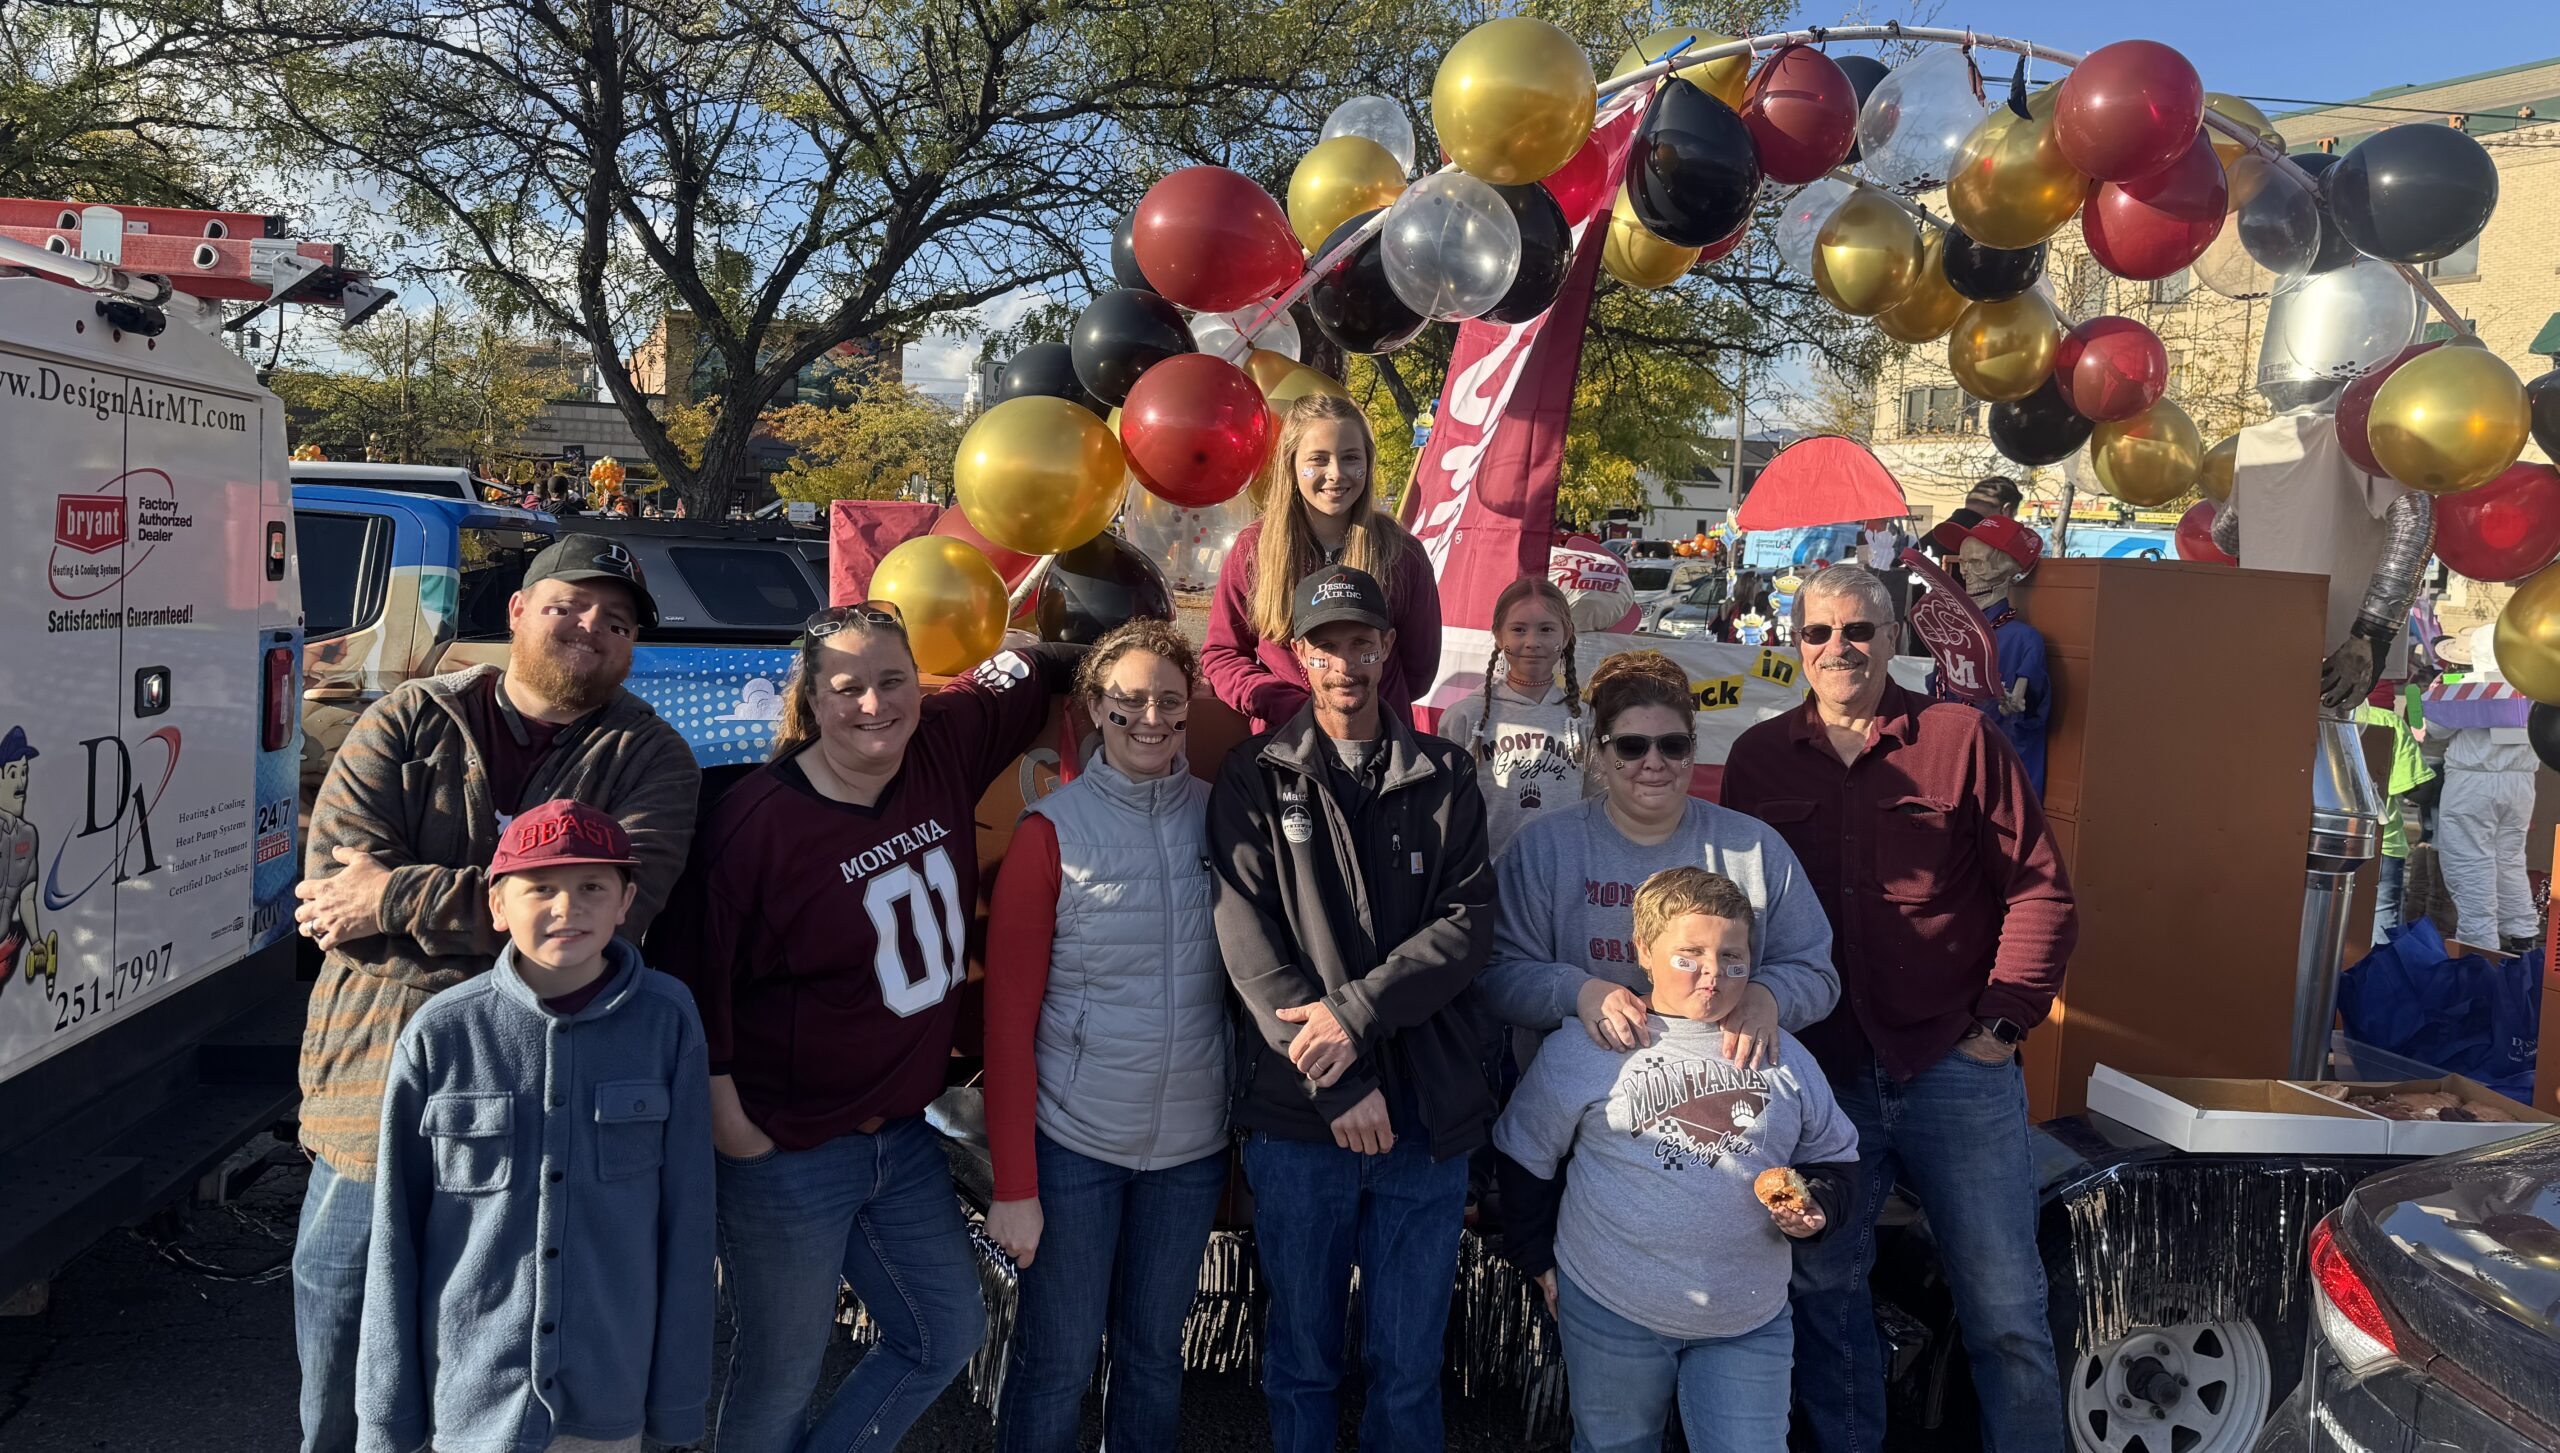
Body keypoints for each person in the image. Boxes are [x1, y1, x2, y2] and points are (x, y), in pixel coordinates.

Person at [290, 535, 700, 1453]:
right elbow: (329, 888)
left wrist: (392, 896)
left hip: (545, 1097)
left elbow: (608, 920)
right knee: (347, 1342)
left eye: (616, 619)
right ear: (516, 611)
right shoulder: (406, 718)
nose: (590, 627)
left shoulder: (651, 758)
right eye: (569, 605)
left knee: (510, 1355)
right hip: (374, 1084)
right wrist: (518, 909)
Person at [657, 606, 1077, 1453]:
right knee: (779, 1376)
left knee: (943, 1331)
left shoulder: (944, 743)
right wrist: (731, 1124)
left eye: (893, 681)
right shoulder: (755, 824)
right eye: (847, 687)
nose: (875, 705)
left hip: (902, 1140)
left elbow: (1039, 664)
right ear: (811, 697)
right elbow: (689, 984)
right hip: (789, 1146)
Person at [1722, 562, 2077, 1453]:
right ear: (1795, 644)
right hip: (1820, 1077)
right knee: (1825, 1290)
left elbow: (2040, 890)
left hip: (1953, 1066)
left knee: (2005, 1307)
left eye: (1859, 630)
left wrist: (2003, 1021)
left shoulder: (1962, 738)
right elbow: (1730, 915)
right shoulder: (1758, 759)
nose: (1839, 647)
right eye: (1818, 632)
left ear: (1894, 639)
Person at [1208, 564, 1493, 1453]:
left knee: (1409, 1367)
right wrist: (1335, 1084)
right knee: (1301, 1359)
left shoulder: (1445, 773)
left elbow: (1468, 924)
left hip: (1425, 1118)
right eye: (1326, 646)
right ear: (1299, 655)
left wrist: (1359, 1015)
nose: (1345, 664)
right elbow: (1249, 945)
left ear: (1388, 651)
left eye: (1362, 643)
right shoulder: (1253, 775)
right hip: (1302, 1123)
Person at [357, 800, 714, 1453]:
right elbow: (393, 1237)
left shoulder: (669, 1021)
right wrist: (387, 1419)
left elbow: (688, 1226)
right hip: (470, 1401)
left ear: (625, 900)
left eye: (591, 887)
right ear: (497, 905)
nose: (566, 907)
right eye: (540, 887)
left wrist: (677, 1406)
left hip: (611, 1396)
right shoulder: (440, 1033)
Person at [1495, 866, 1859, 1453]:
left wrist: (1820, 1207)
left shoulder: (1783, 1055)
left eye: (1733, 958)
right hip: (1613, 1307)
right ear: (1643, 951)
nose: (1713, 975)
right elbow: (1524, 1153)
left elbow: (1836, 1159)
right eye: (1689, 955)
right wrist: (1535, 1255)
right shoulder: (1589, 1046)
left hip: (1748, 1317)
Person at [981, 620, 1228, 1453]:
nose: (1150, 718)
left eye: (1168, 699)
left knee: (1155, 1356)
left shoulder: (1222, 818)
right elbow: (1007, 1024)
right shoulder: (1050, 833)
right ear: (1094, 705)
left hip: (1190, 1149)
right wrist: (1014, 1183)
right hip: (1075, 1146)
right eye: (1127, 701)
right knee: (1056, 1359)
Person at [1482, 650, 1839, 1075]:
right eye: (1632, 747)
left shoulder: (1755, 847)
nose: (1654, 763)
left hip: (1730, 1099)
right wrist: (1578, 992)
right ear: (1600, 751)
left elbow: (1815, 971)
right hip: (1578, 1101)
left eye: (1673, 745)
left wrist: (1769, 995)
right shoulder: (1543, 849)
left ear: (1692, 748)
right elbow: (1495, 974)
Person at [1204, 393, 1443, 732]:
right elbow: (1222, 654)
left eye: (1350, 458)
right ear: (1291, 463)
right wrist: (1282, 703)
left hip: (1380, 749)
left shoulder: (1402, 554)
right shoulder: (1253, 549)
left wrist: (1356, 706)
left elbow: (1419, 671)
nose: (1336, 474)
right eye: (1318, 459)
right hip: (1284, 745)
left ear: (1368, 462)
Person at [1436, 575, 1593, 858]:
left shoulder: (1586, 720)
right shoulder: (1464, 717)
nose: (1532, 642)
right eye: (1519, 630)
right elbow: (1444, 813)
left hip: (1563, 877)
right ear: (1498, 635)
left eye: (1546, 629)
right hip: (1486, 882)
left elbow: (1598, 805)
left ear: (1566, 635)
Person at [1925, 514, 2053, 796]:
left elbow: (2027, 706)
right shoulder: (1955, 633)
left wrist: (2018, 701)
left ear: (2007, 571)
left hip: (1999, 782)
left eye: (1978, 564)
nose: (1966, 573)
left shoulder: (2023, 638)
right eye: (1963, 563)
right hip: (1950, 774)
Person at [2431, 622, 2539, 955]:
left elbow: (2430, 728)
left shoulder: (2464, 687)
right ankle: (2522, 936)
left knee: (2469, 862)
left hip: (2472, 783)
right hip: (2521, 784)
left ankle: (2480, 951)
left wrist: (2430, 692)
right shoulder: (2538, 686)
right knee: (2509, 860)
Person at [2357, 680, 2434, 946]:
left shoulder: (2418, 691)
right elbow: (2418, 734)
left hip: (2324, 837)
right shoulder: (2405, 704)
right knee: (2381, 920)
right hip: (2384, 840)